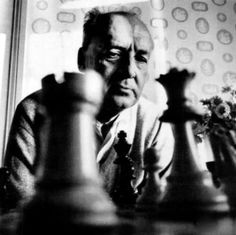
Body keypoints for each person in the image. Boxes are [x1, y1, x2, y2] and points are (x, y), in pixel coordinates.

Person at [3, 8, 174, 210]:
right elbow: (21, 206)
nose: (129, 70)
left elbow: (165, 210)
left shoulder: (156, 123)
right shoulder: (35, 112)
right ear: (82, 60)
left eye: (141, 58)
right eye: (113, 54)